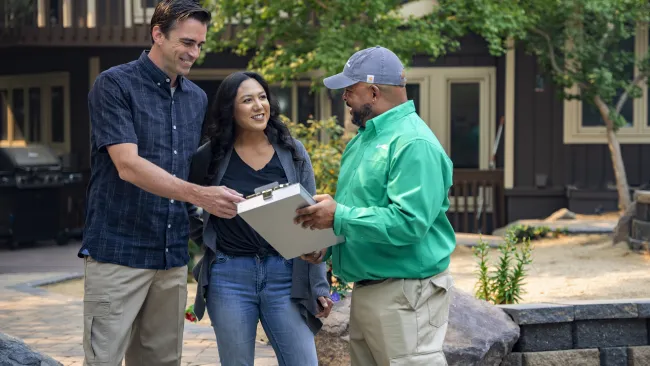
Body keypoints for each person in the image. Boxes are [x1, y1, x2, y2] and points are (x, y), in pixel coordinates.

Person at [79, 2, 244, 365]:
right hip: (117, 254)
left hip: (170, 258)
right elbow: (128, 166)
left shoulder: (196, 99)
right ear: (157, 33)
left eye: (199, 45)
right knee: (102, 360)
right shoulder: (114, 84)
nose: (193, 53)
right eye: (186, 42)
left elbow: (193, 169)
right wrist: (201, 196)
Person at [295, 46, 457, 366]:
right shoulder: (362, 141)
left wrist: (338, 216)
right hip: (369, 291)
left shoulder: (414, 143)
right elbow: (363, 212)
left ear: (373, 91)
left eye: (350, 90)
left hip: (406, 293)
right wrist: (326, 244)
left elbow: (409, 221)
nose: (344, 97)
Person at [187, 71, 333, 366]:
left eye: (263, 97)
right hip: (229, 278)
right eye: (247, 100)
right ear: (231, 108)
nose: (259, 105)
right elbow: (186, 202)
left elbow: (313, 219)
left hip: (284, 275)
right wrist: (208, 238)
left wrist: (319, 285)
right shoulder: (210, 156)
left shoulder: (293, 152)